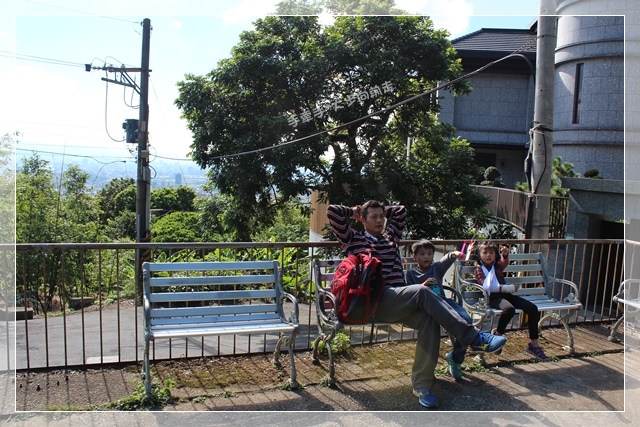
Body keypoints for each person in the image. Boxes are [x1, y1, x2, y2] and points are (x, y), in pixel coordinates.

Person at [327, 201, 507, 409]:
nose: (379, 220)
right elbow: (332, 212)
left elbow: (402, 211)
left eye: (381, 216)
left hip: (398, 300)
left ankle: (422, 385)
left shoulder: (390, 237)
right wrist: (354, 212)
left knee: (428, 320)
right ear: (363, 220)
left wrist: (383, 210)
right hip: (373, 302)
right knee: (422, 290)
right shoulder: (353, 239)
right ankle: (473, 337)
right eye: (373, 217)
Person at [405, 239, 472, 381]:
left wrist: (453, 254)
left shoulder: (436, 269)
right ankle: (428, 372)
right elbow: (408, 292)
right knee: (431, 333)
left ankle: (455, 357)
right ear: (414, 256)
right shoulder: (410, 274)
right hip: (425, 308)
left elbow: (445, 260)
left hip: (444, 303)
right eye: (422, 254)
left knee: (466, 321)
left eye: (429, 253)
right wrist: (422, 285)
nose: (426, 257)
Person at [471, 240, 549, 361]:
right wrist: (510, 288)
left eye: (491, 252)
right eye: (485, 252)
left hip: (507, 295)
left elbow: (504, 262)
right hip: (493, 298)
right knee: (509, 310)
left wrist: (505, 254)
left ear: (495, 255)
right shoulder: (479, 269)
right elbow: (488, 287)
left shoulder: (496, 266)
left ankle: (534, 344)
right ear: (479, 255)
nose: (488, 255)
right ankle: (497, 337)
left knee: (532, 309)